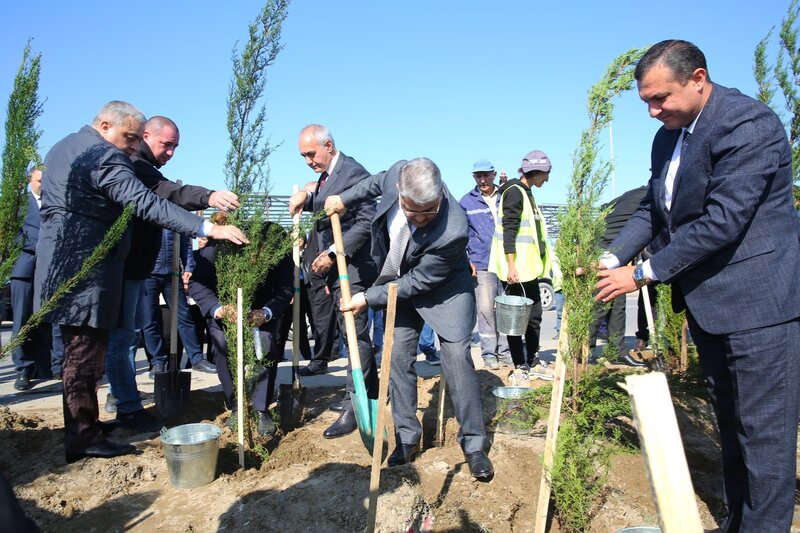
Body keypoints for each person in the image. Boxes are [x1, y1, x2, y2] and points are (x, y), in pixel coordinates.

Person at [593, 40, 800, 533]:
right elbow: (652, 208)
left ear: (698, 78)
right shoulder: (668, 136)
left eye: (661, 98)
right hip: (712, 308)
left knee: (764, 440)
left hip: (759, 306)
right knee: (731, 431)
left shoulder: (748, 125)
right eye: (645, 100)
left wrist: (642, 273)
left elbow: (723, 221)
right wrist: (612, 256)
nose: (652, 110)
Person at [34, 101, 248, 463]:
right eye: (130, 137)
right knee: (84, 355)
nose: (133, 148)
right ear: (104, 125)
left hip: (65, 263)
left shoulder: (63, 146)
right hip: (90, 268)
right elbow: (145, 202)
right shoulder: (105, 155)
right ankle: (84, 437)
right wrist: (208, 227)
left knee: (81, 352)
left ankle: (85, 425)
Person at [325, 158, 494, 480]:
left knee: (457, 358)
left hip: (446, 291)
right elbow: (373, 183)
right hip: (397, 284)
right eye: (411, 211)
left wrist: (367, 297)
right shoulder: (395, 175)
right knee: (397, 356)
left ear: (441, 196)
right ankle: (407, 436)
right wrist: (342, 199)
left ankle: (474, 444)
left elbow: (420, 281)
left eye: (428, 212)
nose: (419, 219)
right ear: (400, 191)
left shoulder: (454, 228)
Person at [103, 115, 239, 433]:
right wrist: (208, 196)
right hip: (129, 267)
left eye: (175, 146)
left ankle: (121, 398)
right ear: (145, 135)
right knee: (123, 338)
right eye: (167, 144)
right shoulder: (134, 164)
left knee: (123, 337)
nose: (171, 153)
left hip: (137, 267)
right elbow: (169, 192)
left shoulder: (140, 164)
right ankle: (126, 405)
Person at [289, 124, 378, 439]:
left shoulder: (353, 172)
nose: (308, 161)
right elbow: (326, 207)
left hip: (353, 266)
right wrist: (308, 196)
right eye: (303, 156)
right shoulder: (328, 176)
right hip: (337, 267)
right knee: (350, 334)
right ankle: (373, 393)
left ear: (328, 145)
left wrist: (331, 252)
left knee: (355, 336)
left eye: (311, 153)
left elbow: (367, 221)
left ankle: (352, 407)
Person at [189, 216, 292, 437]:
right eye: (256, 253)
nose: (260, 259)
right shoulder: (218, 248)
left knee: (266, 344)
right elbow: (197, 284)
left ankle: (260, 408)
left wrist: (266, 312)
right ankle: (236, 405)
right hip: (224, 309)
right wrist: (219, 309)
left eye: (266, 256)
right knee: (222, 345)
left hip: (261, 311)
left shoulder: (279, 250)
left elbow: (286, 288)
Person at [488, 150, 554, 380]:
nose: (546, 179)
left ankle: (533, 360)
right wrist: (511, 267)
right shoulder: (514, 193)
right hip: (516, 270)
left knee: (534, 316)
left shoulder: (526, 193)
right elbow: (509, 231)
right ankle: (520, 365)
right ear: (536, 172)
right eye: (545, 174)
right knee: (516, 320)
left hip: (529, 270)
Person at [10, 166, 63, 389]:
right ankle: (24, 369)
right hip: (25, 268)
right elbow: (13, 237)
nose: (44, 185)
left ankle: (58, 366)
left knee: (55, 318)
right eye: (40, 180)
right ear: (30, 180)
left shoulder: (57, 202)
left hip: (52, 269)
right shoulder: (18, 206)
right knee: (22, 320)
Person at [459, 159, 511, 369]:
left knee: (507, 309)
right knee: (485, 309)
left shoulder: (505, 196)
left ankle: (507, 352)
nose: (482, 180)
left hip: (508, 263)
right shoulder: (466, 202)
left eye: (486, 175)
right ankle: (489, 353)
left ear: (493, 174)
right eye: (478, 176)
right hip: (482, 263)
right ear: (474, 178)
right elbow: (462, 235)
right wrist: (467, 260)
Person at [141, 228, 216, 376]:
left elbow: (185, 244)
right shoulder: (145, 214)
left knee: (184, 316)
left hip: (172, 274)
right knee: (150, 319)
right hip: (147, 274)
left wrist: (189, 267)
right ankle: (158, 362)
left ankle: (196, 359)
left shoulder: (173, 215)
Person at [588, 186, 648, 366]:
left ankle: (617, 351)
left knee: (618, 303)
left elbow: (605, 207)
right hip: (605, 250)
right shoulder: (651, 195)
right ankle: (583, 351)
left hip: (613, 248)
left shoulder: (633, 192)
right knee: (601, 302)